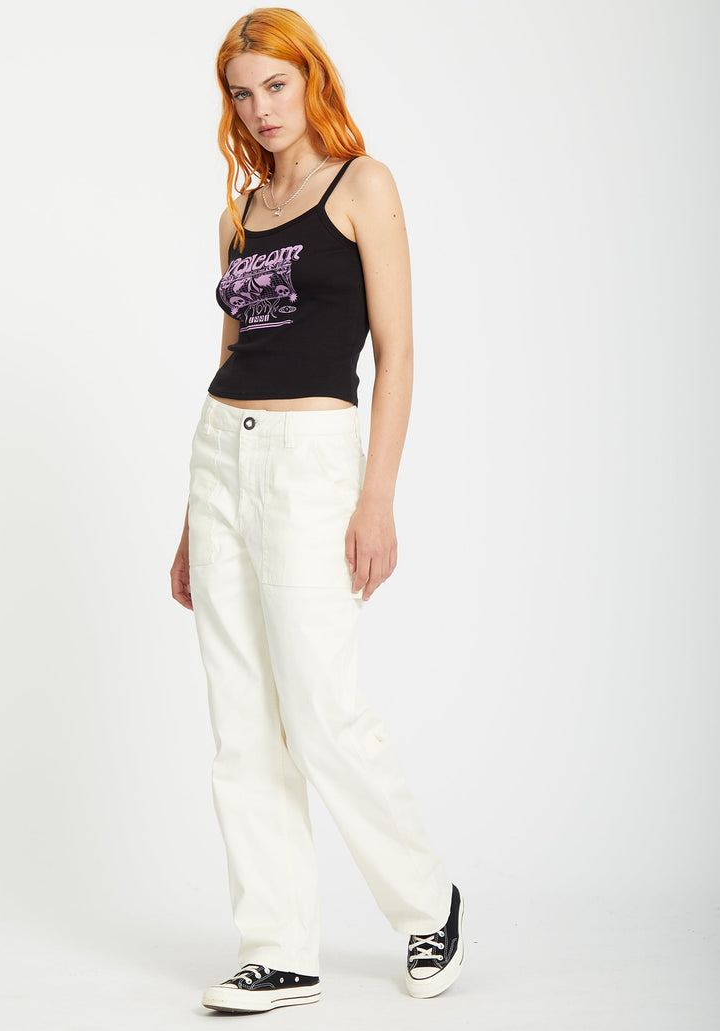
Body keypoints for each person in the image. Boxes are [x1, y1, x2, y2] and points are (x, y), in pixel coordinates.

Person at [169, 7, 464, 1014]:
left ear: (311, 80)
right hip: (221, 455)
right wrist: (192, 516)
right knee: (241, 720)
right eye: (242, 93)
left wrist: (377, 495)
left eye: (275, 85)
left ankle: (428, 904)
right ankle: (278, 945)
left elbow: (398, 351)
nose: (260, 109)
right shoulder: (239, 216)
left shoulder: (362, 186)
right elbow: (231, 355)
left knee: (323, 711)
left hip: (313, 462)